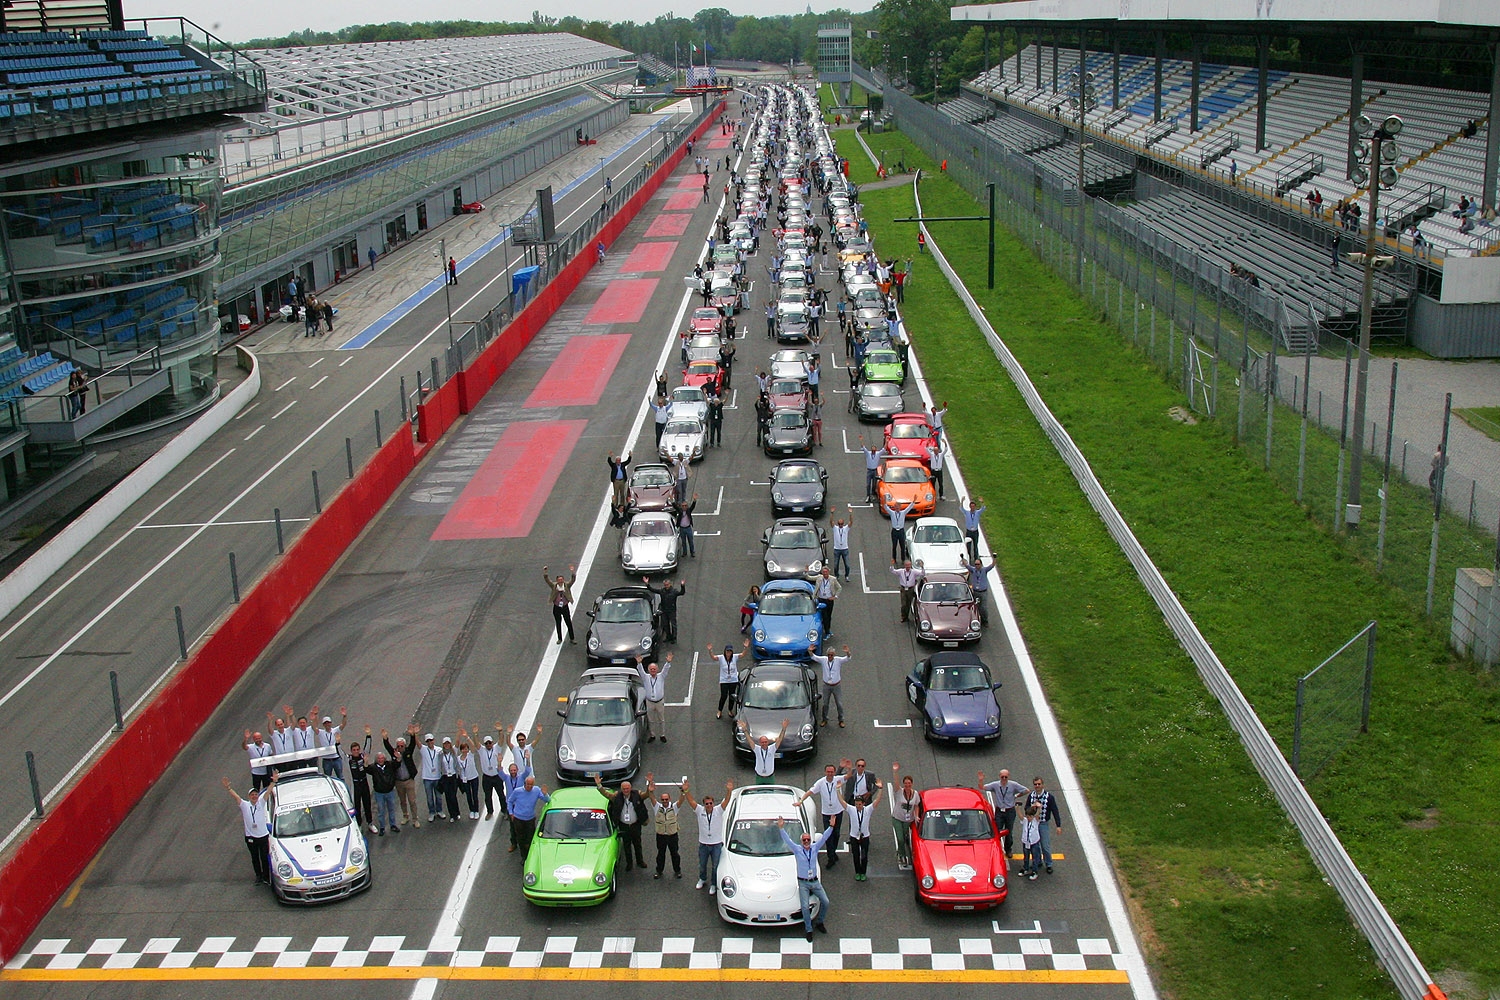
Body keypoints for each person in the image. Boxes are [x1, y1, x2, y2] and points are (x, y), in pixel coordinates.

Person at [776, 816, 833, 941]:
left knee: (826, 902)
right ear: (801, 841)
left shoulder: (815, 848)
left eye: (808, 839)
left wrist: (831, 826)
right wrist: (781, 828)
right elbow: (787, 840)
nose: (806, 842)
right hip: (803, 883)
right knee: (805, 907)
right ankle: (808, 929)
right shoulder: (797, 850)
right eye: (804, 840)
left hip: (814, 881)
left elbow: (824, 837)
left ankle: (820, 922)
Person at [682, 778, 734, 892]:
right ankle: (702, 879)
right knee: (702, 864)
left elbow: (726, 801)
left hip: (716, 844)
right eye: (707, 804)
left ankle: (714, 884)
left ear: (713, 803)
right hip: (704, 844)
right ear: (704, 804)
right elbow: (691, 801)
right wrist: (686, 791)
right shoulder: (699, 810)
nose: (709, 805)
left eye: (710, 803)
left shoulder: (718, 810)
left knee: (715, 866)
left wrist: (729, 791)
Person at [222, 775, 274, 884]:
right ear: (249, 796)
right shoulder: (245, 805)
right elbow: (236, 797)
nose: (254, 796)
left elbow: (268, 792)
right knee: (255, 857)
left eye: (256, 794)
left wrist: (274, 781)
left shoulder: (261, 802)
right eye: (252, 795)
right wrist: (228, 788)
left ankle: (266, 876)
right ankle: (258, 876)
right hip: (251, 837)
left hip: (263, 835)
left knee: (264, 857)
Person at [798, 762, 848, 868]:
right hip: (827, 813)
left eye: (832, 772)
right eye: (828, 772)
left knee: (836, 834)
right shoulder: (821, 782)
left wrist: (848, 767)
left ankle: (833, 852)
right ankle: (831, 858)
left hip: (838, 811)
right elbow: (810, 791)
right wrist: (801, 800)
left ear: (834, 772)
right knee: (828, 835)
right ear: (825, 772)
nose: (830, 774)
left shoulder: (838, 779)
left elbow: (849, 775)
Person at [596, 774, 649, 871]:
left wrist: (649, 785)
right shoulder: (617, 797)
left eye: (627, 788)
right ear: (621, 789)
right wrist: (599, 785)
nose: (626, 790)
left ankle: (640, 861)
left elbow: (647, 795)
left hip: (635, 825)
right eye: (624, 789)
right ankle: (629, 864)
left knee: (638, 844)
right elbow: (606, 794)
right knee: (626, 845)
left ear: (630, 788)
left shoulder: (637, 794)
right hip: (624, 825)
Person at [837, 776, 883, 881]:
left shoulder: (868, 810)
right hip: (854, 836)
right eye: (857, 804)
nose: (858, 806)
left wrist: (880, 789)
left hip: (865, 835)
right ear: (855, 804)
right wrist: (837, 790)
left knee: (864, 855)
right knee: (856, 855)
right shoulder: (851, 809)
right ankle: (857, 872)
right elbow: (841, 802)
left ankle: (863, 872)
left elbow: (877, 800)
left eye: (860, 804)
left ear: (863, 804)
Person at [644, 773, 685, 878]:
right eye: (663, 800)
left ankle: (677, 870)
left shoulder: (674, 807)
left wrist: (683, 791)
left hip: (672, 835)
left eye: (666, 799)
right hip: (661, 835)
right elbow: (651, 797)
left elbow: (681, 800)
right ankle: (659, 871)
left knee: (675, 854)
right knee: (660, 854)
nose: (665, 801)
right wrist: (650, 786)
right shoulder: (657, 807)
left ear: (669, 799)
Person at [979, 768, 1029, 850]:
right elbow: (982, 787)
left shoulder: (1013, 785)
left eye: (1006, 777)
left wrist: (1016, 796)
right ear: (999, 777)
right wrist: (981, 780)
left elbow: (1026, 790)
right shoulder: (995, 785)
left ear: (1008, 776)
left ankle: (1008, 849)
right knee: (997, 831)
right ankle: (997, 848)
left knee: (1009, 831)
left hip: (1010, 811)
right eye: (1002, 777)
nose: (1004, 779)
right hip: (999, 811)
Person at [383, 726, 420, 828]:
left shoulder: (408, 752)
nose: (400, 748)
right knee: (402, 800)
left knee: (412, 801)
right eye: (398, 746)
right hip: (399, 781)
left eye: (402, 746)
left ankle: (415, 819)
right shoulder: (394, 754)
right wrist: (385, 739)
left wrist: (413, 734)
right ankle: (405, 815)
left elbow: (413, 744)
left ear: (404, 746)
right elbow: (388, 747)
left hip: (409, 780)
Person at [1027, 776, 1065, 874]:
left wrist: (1058, 825)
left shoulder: (1049, 797)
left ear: (1042, 785)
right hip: (1033, 824)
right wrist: (1032, 807)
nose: (1037, 786)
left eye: (1039, 784)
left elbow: (1055, 811)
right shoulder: (1031, 796)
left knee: (1045, 845)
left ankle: (1049, 863)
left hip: (1043, 823)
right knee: (1035, 844)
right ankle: (1038, 861)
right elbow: (1026, 808)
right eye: (1035, 784)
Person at [507, 770, 549, 854]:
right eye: (528, 784)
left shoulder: (536, 790)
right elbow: (510, 801)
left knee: (530, 838)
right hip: (518, 818)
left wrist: (545, 794)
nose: (529, 786)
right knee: (520, 838)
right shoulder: (517, 791)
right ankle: (523, 856)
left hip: (530, 819)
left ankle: (529, 854)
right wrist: (511, 813)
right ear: (524, 784)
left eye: (531, 785)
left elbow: (547, 800)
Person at [635, 652, 674, 742]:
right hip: (650, 702)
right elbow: (640, 671)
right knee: (651, 720)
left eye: (654, 669)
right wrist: (639, 663)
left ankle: (662, 734)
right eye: (651, 669)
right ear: (648, 670)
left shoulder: (661, 676)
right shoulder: (646, 677)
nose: (653, 670)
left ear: (657, 670)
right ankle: (652, 735)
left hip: (659, 702)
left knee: (661, 719)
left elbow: (665, 670)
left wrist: (668, 662)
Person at [810, 645, 849, 728]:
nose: (830, 657)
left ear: (834, 655)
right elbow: (814, 657)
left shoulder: (838, 660)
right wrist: (810, 651)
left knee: (839, 704)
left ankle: (841, 720)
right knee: (825, 704)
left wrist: (848, 652)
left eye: (832, 655)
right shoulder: (823, 660)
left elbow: (847, 658)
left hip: (836, 685)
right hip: (826, 686)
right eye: (829, 655)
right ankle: (824, 719)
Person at [709, 639, 749, 719]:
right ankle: (719, 710)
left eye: (730, 651)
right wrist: (710, 650)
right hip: (724, 680)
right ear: (725, 651)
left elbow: (743, 655)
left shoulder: (734, 657)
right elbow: (713, 657)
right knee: (723, 695)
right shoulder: (721, 658)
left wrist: (745, 648)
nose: (729, 653)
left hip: (733, 680)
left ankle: (730, 710)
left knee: (732, 696)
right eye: (727, 651)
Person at [741, 718, 789, 784]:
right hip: (759, 778)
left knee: (771, 793)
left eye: (765, 742)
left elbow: (779, 740)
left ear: (768, 742)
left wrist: (783, 729)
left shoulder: (772, 749)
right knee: (758, 794)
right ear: (760, 743)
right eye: (762, 742)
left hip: (770, 778)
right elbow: (750, 741)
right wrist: (745, 730)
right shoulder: (757, 749)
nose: (764, 743)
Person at [889, 763, 918, 870]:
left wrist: (916, 815)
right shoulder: (899, 792)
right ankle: (901, 855)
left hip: (908, 820)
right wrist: (895, 771)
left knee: (905, 836)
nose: (907, 785)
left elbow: (916, 806)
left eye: (909, 783)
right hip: (897, 818)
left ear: (912, 784)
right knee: (900, 839)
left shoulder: (915, 794)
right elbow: (896, 783)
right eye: (905, 783)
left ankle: (901, 851)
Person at [474, 726, 507, 820]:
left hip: (497, 776)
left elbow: (501, 740)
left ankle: (504, 811)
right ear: (484, 744)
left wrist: (500, 731)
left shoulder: (497, 748)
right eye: (486, 743)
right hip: (487, 777)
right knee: (488, 796)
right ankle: (490, 811)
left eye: (490, 742)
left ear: (492, 742)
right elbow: (476, 744)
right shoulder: (482, 750)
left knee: (501, 794)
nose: (488, 744)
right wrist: (475, 734)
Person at [346, 730, 375, 834]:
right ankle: (358, 824)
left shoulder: (362, 756)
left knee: (367, 803)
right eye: (354, 750)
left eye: (357, 749)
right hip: (355, 784)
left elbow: (367, 747)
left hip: (364, 782)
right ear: (351, 751)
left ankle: (370, 823)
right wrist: (337, 743)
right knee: (357, 805)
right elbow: (339, 752)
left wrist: (368, 735)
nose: (356, 751)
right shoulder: (348, 759)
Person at [543, 564, 578, 645]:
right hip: (557, 607)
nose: (560, 581)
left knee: (568, 623)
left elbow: (573, 580)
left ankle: (572, 638)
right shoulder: (554, 586)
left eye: (561, 580)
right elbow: (547, 580)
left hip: (565, 607)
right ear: (557, 581)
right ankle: (559, 638)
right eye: (559, 580)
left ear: (563, 580)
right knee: (558, 623)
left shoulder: (567, 585)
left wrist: (573, 572)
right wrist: (545, 572)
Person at [369, 747, 400, 835]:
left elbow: (397, 764)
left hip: (390, 791)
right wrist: (365, 762)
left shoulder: (390, 765)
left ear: (385, 759)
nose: (380, 760)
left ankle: (393, 825)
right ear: (376, 759)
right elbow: (366, 769)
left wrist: (398, 758)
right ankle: (382, 827)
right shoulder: (373, 768)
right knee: (381, 811)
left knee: (391, 809)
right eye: (379, 758)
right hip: (379, 793)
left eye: (382, 758)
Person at [646, 576, 685, 643]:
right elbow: (652, 590)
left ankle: (674, 638)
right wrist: (647, 584)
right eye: (665, 585)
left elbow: (682, 592)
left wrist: (682, 586)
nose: (666, 586)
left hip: (671, 611)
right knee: (665, 624)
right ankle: (668, 636)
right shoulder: (662, 591)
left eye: (667, 585)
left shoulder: (674, 591)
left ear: (670, 584)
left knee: (673, 624)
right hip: (664, 610)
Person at [419, 732, 445, 822]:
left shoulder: (439, 750)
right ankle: (431, 812)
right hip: (427, 778)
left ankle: (440, 810)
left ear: (434, 740)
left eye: (431, 740)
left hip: (437, 777)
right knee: (429, 797)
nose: (430, 742)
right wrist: (415, 734)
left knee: (438, 796)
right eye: (428, 741)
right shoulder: (424, 749)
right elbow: (417, 743)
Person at [455, 734, 481, 819]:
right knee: (468, 796)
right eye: (463, 749)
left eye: (466, 749)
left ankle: (476, 810)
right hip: (464, 779)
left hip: (473, 777)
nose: (464, 750)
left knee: (474, 795)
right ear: (461, 750)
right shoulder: (458, 759)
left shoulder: (470, 755)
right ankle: (471, 810)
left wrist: (467, 737)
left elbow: (473, 746)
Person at [316, 709, 346, 779]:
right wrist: (315, 716)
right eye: (325, 723)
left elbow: (343, 724)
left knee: (340, 777)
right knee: (328, 778)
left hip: (336, 758)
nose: (327, 724)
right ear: (323, 724)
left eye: (328, 722)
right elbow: (314, 727)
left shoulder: (335, 730)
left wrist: (344, 716)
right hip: (327, 760)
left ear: (331, 723)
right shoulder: (321, 733)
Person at [438, 736, 462, 823]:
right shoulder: (440, 754)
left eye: (448, 743)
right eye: (445, 744)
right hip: (445, 777)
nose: (447, 745)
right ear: (443, 745)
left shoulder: (453, 752)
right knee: (448, 796)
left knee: (453, 796)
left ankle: (457, 813)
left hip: (453, 776)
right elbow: (439, 765)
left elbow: (458, 742)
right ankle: (452, 814)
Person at [892, 559, 924, 623]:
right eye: (907, 566)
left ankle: (906, 616)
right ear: (904, 566)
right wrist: (892, 565)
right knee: (903, 604)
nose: (908, 567)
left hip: (910, 589)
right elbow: (893, 571)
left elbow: (922, 574)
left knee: (908, 603)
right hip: (903, 589)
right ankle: (903, 616)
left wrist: (922, 567)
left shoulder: (914, 572)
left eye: (909, 566)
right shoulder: (901, 571)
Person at [812, 567, 840, 638]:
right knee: (824, 616)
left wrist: (835, 596)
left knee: (829, 616)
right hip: (821, 599)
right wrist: (806, 572)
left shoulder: (833, 579)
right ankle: (827, 632)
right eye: (823, 572)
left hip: (829, 600)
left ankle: (828, 629)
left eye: (826, 572)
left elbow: (839, 588)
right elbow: (809, 577)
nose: (825, 574)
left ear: (828, 572)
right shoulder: (819, 578)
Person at [1018, 803, 1044, 880]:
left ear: (1033, 816)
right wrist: (1017, 808)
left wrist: (1039, 808)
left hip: (1034, 842)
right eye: (1027, 816)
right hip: (1026, 842)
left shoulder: (1036, 821)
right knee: (1026, 857)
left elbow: (1038, 814)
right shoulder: (1025, 821)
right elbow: (1020, 816)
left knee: (1035, 857)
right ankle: (1025, 868)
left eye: (1030, 816)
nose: (1028, 818)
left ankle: (1034, 871)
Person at [887, 498, 915, 563]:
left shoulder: (903, 513)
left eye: (898, 507)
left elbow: (909, 508)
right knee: (894, 546)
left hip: (901, 531)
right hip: (894, 531)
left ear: (900, 507)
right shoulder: (892, 513)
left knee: (902, 546)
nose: (897, 508)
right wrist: (884, 501)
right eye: (896, 507)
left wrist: (913, 501)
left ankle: (903, 559)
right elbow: (886, 507)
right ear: (894, 507)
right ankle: (894, 558)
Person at [960, 496, 985, 561]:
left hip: (975, 532)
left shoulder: (977, 513)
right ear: (969, 507)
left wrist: (982, 502)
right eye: (971, 506)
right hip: (969, 532)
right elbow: (961, 508)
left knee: (975, 546)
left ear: (975, 507)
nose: (972, 507)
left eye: (973, 506)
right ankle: (969, 558)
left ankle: (976, 558)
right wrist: (962, 501)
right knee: (968, 546)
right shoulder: (967, 513)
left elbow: (983, 508)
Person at [830, 508, 852, 581]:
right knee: (836, 565)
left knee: (847, 565)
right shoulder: (835, 528)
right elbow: (831, 522)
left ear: (843, 523)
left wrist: (850, 514)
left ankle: (847, 576)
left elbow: (851, 522)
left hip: (845, 549)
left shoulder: (846, 528)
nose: (840, 525)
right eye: (839, 524)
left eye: (841, 524)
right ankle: (837, 575)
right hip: (837, 549)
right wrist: (832, 513)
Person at [675, 494, 698, 558]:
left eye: (685, 506)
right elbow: (675, 507)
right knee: (683, 542)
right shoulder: (680, 512)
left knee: (690, 541)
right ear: (681, 507)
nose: (684, 507)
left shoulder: (688, 511)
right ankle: (684, 553)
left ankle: (692, 552)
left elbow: (693, 507)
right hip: (682, 529)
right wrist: (672, 501)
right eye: (683, 506)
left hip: (688, 528)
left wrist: (694, 500)